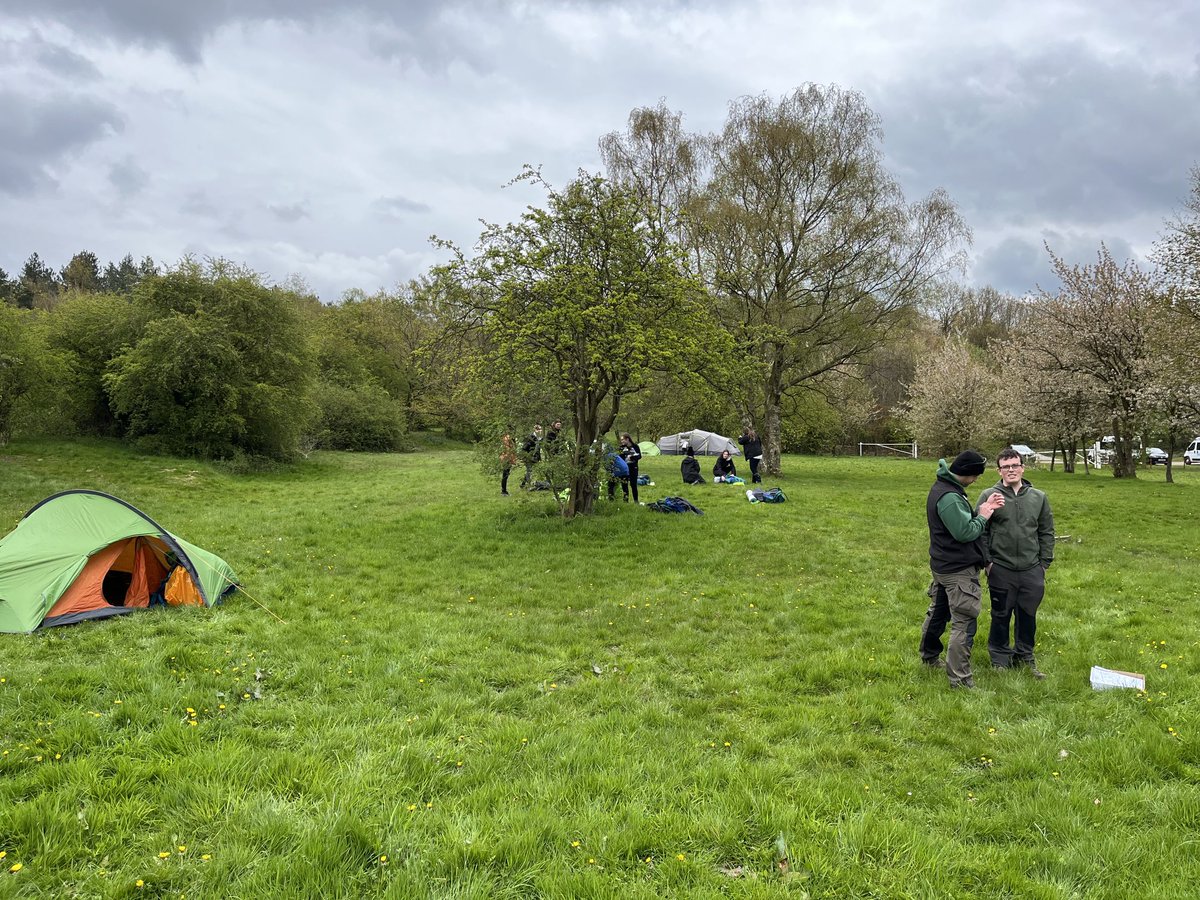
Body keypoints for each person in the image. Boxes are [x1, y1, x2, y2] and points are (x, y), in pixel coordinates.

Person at [919, 450, 1006, 689]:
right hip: (957, 570)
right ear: (966, 472)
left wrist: (983, 508)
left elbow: (959, 522)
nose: (976, 480)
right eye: (975, 475)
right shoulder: (949, 496)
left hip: (943, 565)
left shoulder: (944, 488)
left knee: (938, 612)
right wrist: (984, 516)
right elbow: (965, 532)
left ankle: (929, 656)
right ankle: (961, 680)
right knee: (964, 622)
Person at [976, 447, 1055, 678]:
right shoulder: (989, 495)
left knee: (1027, 615)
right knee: (1000, 615)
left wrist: (1043, 563)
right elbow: (981, 530)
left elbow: (1046, 531)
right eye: (1006, 467)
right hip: (1001, 568)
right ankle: (1000, 658)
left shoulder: (1038, 497)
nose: (1011, 470)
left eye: (1015, 465)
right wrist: (988, 563)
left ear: (1023, 468)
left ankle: (1025, 657)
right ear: (999, 471)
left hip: (1032, 569)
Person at [609, 432, 642, 503]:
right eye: (621, 440)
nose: (622, 441)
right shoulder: (621, 448)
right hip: (624, 469)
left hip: (633, 468)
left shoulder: (635, 446)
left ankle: (636, 501)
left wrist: (632, 457)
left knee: (633, 485)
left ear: (627, 439)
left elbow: (639, 456)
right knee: (624, 485)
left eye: (623, 439)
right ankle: (625, 501)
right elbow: (619, 458)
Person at [519, 424, 543, 489]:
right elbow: (524, 448)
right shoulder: (530, 438)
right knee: (529, 471)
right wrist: (527, 457)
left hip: (535, 457)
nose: (539, 431)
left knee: (530, 471)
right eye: (538, 429)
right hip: (528, 457)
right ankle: (529, 486)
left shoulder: (540, 438)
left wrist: (538, 457)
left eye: (540, 429)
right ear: (535, 430)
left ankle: (523, 484)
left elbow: (538, 448)